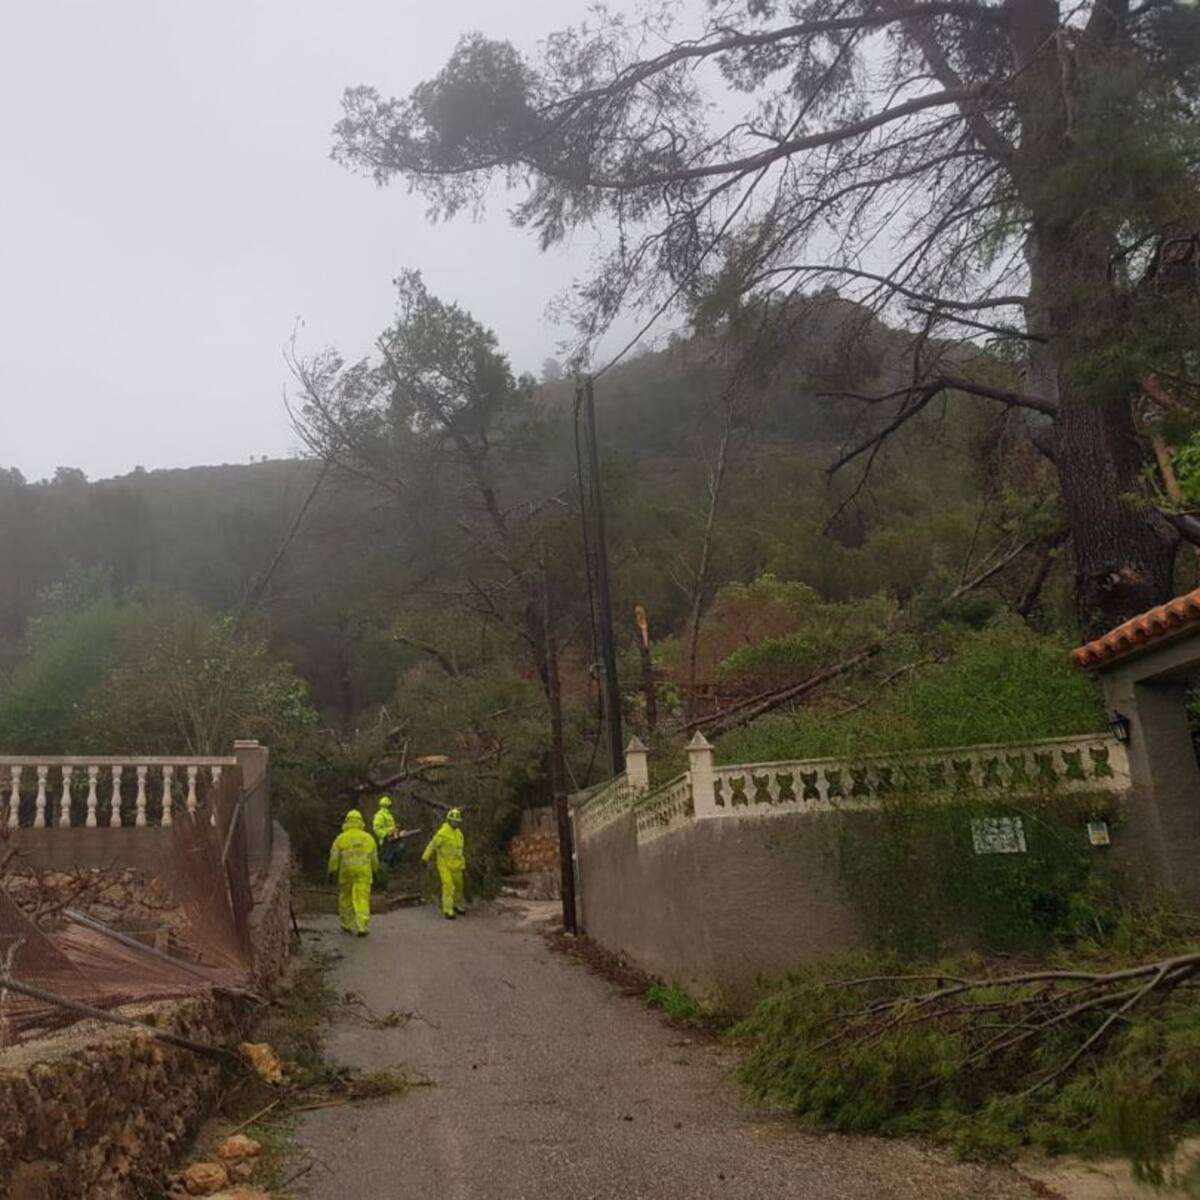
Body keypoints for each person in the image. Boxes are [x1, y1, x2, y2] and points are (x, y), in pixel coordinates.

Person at [328, 809, 378, 936]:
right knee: (362, 898)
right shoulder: (368, 838)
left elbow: (334, 856)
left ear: (347, 822)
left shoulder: (341, 838)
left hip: (346, 872)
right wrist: (375, 870)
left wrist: (332, 870)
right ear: (361, 821)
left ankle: (346, 924)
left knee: (345, 897)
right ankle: (362, 926)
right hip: (364, 872)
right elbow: (374, 858)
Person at [422, 807, 467, 920]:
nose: (455, 823)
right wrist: (425, 858)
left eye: (457, 821)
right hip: (444, 864)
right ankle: (448, 910)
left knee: (459, 887)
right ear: (449, 820)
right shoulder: (442, 833)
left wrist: (462, 863)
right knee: (448, 886)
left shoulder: (459, 833)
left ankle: (457, 905)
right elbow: (432, 845)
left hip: (457, 865)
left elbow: (460, 850)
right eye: (453, 821)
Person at [373, 795, 399, 867]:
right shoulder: (380, 815)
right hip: (385, 842)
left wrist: (395, 830)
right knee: (385, 859)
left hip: (392, 839)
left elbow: (390, 827)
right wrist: (386, 835)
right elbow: (377, 829)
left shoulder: (389, 815)